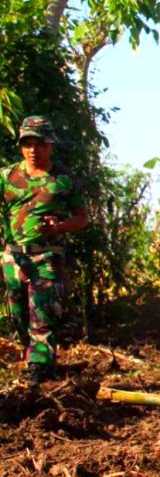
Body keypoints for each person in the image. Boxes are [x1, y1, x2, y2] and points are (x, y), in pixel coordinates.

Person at [0, 117, 89, 385]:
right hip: (13, 255)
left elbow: (83, 218)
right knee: (20, 315)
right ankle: (34, 358)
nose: (33, 150)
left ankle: (39, 372)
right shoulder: (6, 176)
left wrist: (59, 226)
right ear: (20, 146)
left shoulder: (63, 180)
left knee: (43, 313)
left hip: (47, 255)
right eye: (27, 144)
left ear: (50, 145)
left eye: (39, 144)